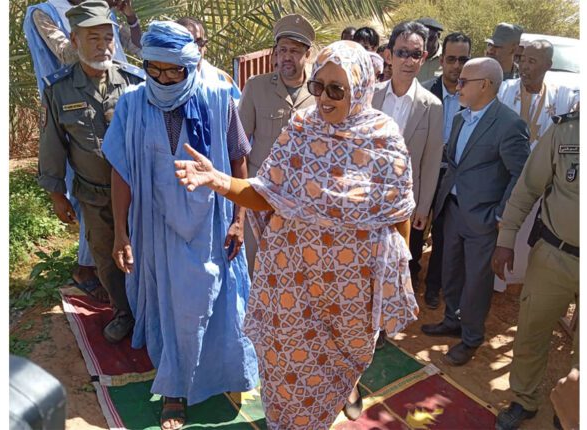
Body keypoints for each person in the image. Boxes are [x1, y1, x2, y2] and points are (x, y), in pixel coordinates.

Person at [174, 40, 418, 430]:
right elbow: (265, 191)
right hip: (290, 286)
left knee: (336, 375)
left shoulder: (383, 138)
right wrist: (218, 180)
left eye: (337, 90)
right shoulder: (302, 129)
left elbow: (399, 216)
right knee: (284, 373)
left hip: (350, 297)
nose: (324, 98)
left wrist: (394, 283)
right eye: (318, 86)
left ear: (361, 88)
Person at [102, 21, 259, 430]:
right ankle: (175, 388)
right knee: (171, 307)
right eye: (155, 70)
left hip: (213, 223)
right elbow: (121, 171)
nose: (164, 79)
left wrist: (239, 220)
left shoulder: (219, 96)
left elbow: (238, 158)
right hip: (156, 226)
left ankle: (224, 372)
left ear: (191, 65)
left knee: (216, 300)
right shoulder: (132, 104)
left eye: (174, 72)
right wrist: (121, 233)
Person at [37, 0, 144, 343]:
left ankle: (149, 313)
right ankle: (123, 312)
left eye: (107, 37)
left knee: (146, 253)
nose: (103, 46)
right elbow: (52, 145)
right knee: (106, 256)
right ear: (74, 40)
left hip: (140, 194)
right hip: (94, 194)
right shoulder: (58, 89)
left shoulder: (136, 82)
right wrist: (57, 194)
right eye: (93, 38)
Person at [420, 58, 530, 366]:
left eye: (464, 81)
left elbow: (521, 176)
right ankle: (451, 320)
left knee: (476, 283)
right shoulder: (460, 117)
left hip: (483, 219)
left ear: (485, 85)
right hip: (453, 210)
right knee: (451, 271)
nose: (458, 86)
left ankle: (471, 337)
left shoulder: (509, 124)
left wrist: (500, 214)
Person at [492, 110, 579, 430]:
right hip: (555, 255)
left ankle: (574, 408)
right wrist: (506, 239)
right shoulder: (566, 131)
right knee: (532, 330)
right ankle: (523, 399)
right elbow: (527, 188)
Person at [372, 20, 443, 332]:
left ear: (424, 57)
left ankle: (386, 325)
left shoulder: (432, 106)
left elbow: (431, 160)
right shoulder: (371, 96)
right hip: (366, 198)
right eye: (402, 52)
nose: (408, 61)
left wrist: (423, 208)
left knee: (397, 263)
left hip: (404, 205)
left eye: (416, 54)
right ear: (389, 55)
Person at [494, 39, 579, 291]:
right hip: (505, 178)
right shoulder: (505, 90)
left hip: (540, 182)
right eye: (522, 60)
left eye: (532, 61)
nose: (524, 66)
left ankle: (522, 281)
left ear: (548, 65)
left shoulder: (562, 95)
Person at [238, 14, 317, 273]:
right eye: (282, 50)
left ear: (307, 54)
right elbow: (238, 146)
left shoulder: (319, 93)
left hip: (302, 199)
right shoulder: (256, 87)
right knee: (255, 265)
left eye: (294, 51)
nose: (286, 57)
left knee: (296, 268)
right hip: (260, 195)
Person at [420, 31, 472, 310]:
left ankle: (433, 287)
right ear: (441, 60)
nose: (457, 66)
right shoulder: (425, 92)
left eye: (463, 60)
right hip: (423, 172)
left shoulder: (474, 96)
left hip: (453, 178)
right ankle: (409, 277)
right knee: (415, 229)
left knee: (442, 234)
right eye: (451, 59)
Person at [176, 16, 242, 106]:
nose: (194, 48)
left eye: (199, 42)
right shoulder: (162, 83)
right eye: (187, 43)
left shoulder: (222, 80)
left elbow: (239, 111)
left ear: (205, 47)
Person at [415, 17, 443, 82]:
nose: (426, 44)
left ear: (438, 36)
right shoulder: (410, 58)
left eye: (430, 39)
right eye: (422, 39)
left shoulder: (448, 59)